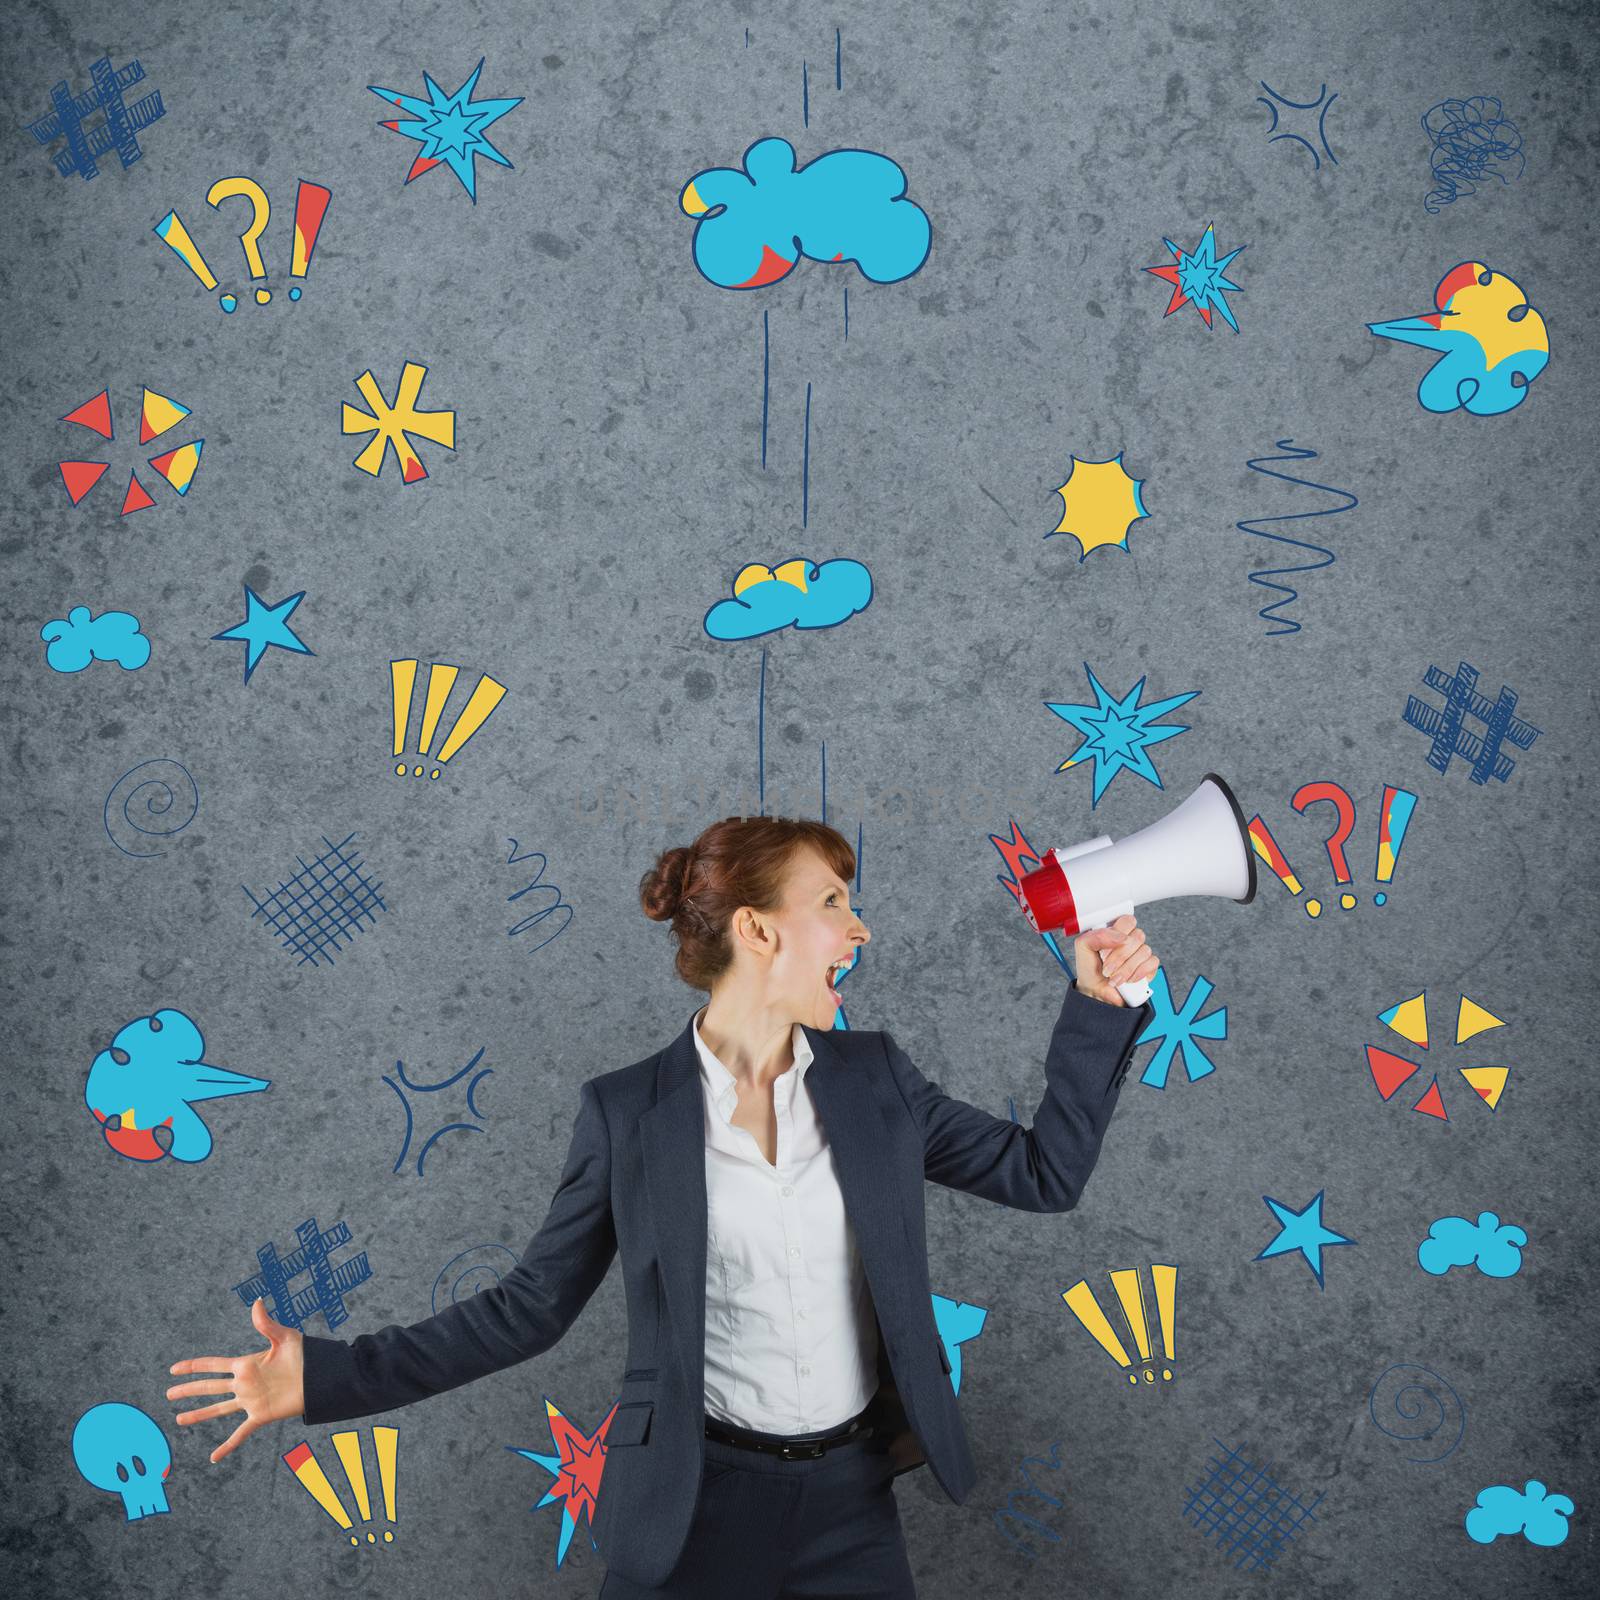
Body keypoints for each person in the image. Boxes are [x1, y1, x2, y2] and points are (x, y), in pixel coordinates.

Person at [166, 816, 1158, 1597]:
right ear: (757, 928)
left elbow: (1043, 1174)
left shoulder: (878, 1082)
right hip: (693, 1507)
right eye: (833, 902)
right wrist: (327, 1378)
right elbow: (528, 1307)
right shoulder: (627, 1112)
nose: (858, 929)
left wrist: (1100, 1007)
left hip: (853, 1506)